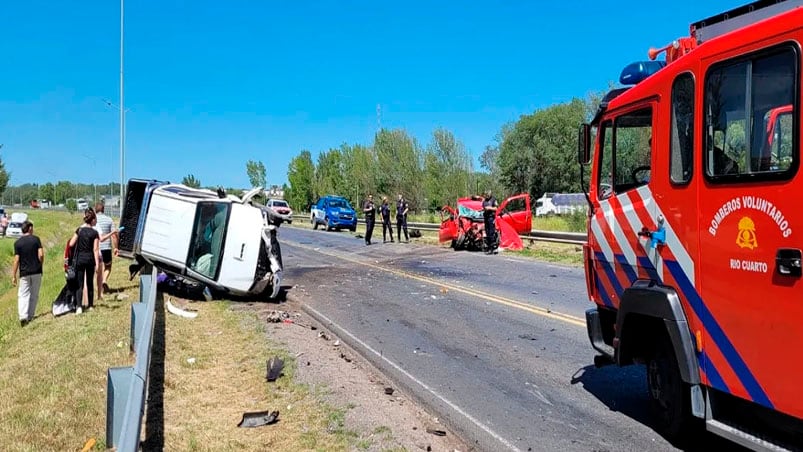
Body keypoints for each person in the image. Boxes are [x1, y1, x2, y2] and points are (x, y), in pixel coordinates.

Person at [68, 209, 101, 314]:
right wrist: (97, 264)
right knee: (90, 282)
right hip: (90, 259)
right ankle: (90, 305)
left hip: (80, 259)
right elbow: (95, 249)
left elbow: (71, 244)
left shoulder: (79, 230)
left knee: (80, 283)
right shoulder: (95, 233)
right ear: (92, 220)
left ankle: (79, 306)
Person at [12, 221, 44, 326]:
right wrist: (40, 265)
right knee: (34, 294)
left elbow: (16, 260)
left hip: (24, 273)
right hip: (36, 271)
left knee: (23, 294)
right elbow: (41, 255)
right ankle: (30, 316)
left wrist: (14, 275)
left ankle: (23, 317)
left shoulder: (17, 243)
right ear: (30, 228)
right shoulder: (36, 239)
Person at [93, 202, 118, 300]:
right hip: (106, 247)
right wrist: (116, 247)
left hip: (96, 248)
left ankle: (98, 286)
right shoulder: (109, 220)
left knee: (97, 268)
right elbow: (114, 235)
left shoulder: (93, 221)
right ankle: (103, 281)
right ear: (103, 210)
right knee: (108, 266)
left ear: (95, 210)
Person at [482, 190, 498, 254]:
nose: (487, 196)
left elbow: (496, 208)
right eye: (486, 195)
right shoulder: (484, 201)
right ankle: (489, 247)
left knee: (491, 233)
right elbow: (483, 208)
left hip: (491, 218)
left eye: (488, 195)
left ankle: (492, 248)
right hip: (486, 218)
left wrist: (490, 208)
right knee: (487, 233)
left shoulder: (493, 200)